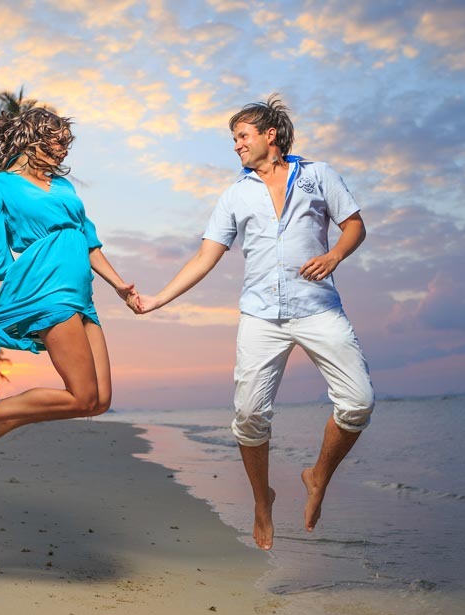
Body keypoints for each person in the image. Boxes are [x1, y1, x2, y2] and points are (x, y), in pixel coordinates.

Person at [130, 95, 374, 550]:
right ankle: (262, 500)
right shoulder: (235, 194)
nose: (236, 145)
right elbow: (206, 256)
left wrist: (335, 254)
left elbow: (355, 225)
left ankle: (317, 475)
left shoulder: (319, 175)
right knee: (248, 416)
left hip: (319, 308)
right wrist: (158, 299)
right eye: (234, 138)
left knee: (359, 401)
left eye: (242, 136)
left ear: (270, 135)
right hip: (261, 315)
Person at [0, 106, 137, 454]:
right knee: (82, 395)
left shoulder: (62, 186)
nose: (62, 151)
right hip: (45, 291)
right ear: (31, 143)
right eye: (55, 143)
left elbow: (88, 240)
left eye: (65, 143)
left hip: (81, 295)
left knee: (99, 401)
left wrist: (118, 284)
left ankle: (8, 416)